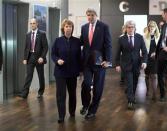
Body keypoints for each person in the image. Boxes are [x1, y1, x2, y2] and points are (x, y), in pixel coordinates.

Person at [80, 8, 112, 120]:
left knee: (98, 88)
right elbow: (82, 42)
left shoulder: (104, 27)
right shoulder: (84, 27)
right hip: (87, 63)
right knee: (86, 84)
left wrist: (107, 60)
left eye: (92, 15)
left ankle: (92, 110)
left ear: (96, 15)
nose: (90, 17)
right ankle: (85, 105)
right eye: (88, 15)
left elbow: (108, 45)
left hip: (100, 62)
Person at [51, 19, 81, 123]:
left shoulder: (77, 41)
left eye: (70, 26)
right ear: (63, 28)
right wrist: (57, 60)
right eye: (66, 26)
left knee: (72, 94)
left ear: (72, 29)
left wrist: (80, 70)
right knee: (61, 95)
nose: (68, 28)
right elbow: (53, 54)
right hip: (60, 72)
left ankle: (72, 112)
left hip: (73, 72)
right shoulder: (57, 40)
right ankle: (61, 116)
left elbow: (79, 57)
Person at [115, 20, 147, 110]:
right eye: (129, 27)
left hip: (137, 65)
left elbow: (144, 51)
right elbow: (117, 53)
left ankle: (131, 96)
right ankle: (130, 101)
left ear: (135, 28)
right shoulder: (121, 39)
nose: (130, 29)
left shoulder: (139, 37)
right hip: (126, 65)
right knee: (129, 82)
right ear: (126, 28)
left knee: (135, 82)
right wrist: (117, 64)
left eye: (132, 27)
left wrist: (144, 61)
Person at [18, 18, 48, 99]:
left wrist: (42, 57)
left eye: (34, 23)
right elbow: (26, 47)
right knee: (29, 76)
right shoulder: (28, 34)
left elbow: (45, 47)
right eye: (31, 23)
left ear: (37, 24)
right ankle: (24, 93)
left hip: (39, 59)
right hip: (30, 57)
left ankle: (40, 92)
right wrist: (25, 58)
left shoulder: (42, 34)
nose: (32, 25)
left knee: (40, 76)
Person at [143, 20, 160, 101]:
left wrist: (156, 53)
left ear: (155, 27)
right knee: (147, 76)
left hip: (155, 59)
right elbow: (142, 48)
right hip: (147, 58)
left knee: (155, 75)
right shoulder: (145, 36)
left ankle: (154, 93)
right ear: (148, 27)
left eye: (153, 26)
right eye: (150, 26)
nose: (151, 28)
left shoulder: (159, 36)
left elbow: (161, 47)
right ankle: (147, 90)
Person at [156, 8, 167, 101]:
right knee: (160, 74)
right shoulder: (163, 26)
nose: (162, 15)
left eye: (163, 14)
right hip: (162, 53)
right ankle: (163, 95)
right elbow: (161, 39)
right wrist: (157, 53)